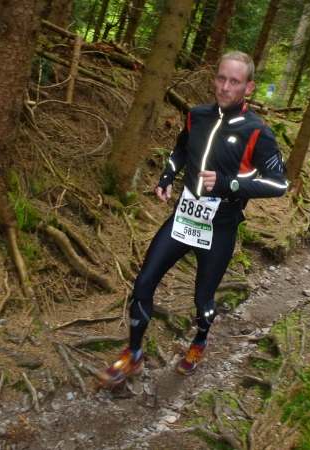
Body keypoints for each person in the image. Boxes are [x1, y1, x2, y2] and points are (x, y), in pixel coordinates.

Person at [98, 51, 288, 387]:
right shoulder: (196, 115)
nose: (225, 87)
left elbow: (279, 184)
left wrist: (230, 184)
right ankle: (134, 353)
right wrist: (167, 178)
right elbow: (181, 149)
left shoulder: (258, 132)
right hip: (185, 216)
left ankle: (200, 341)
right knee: (143, 284)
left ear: (249, 87)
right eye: (221, 78)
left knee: (203, 300)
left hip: (221, 225)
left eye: (234, 82)